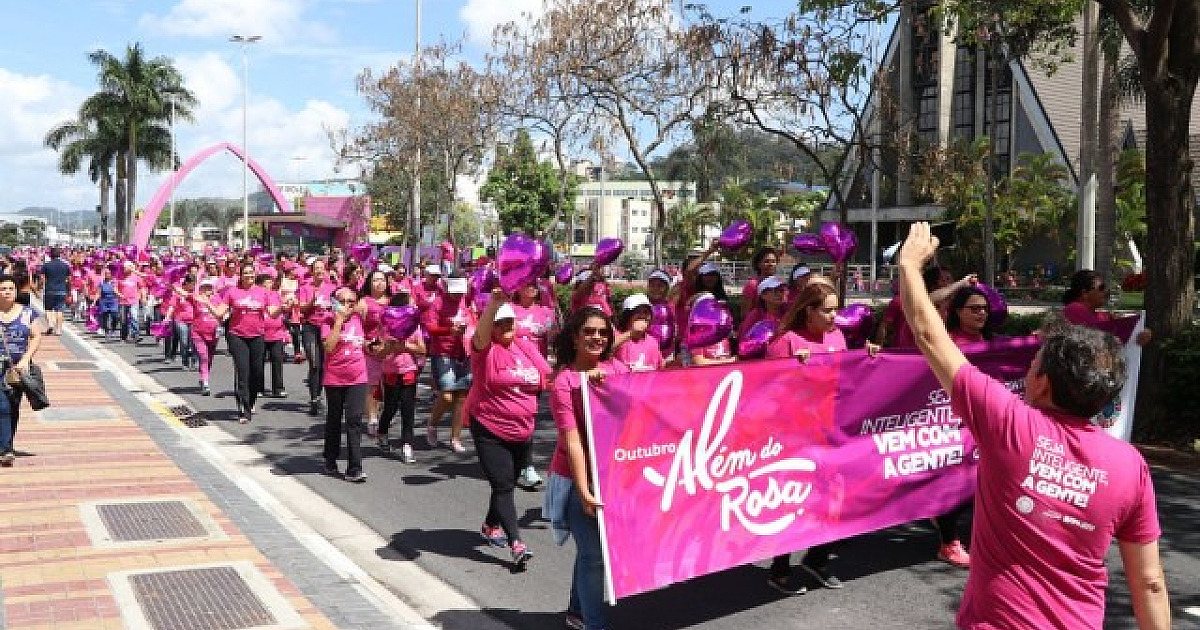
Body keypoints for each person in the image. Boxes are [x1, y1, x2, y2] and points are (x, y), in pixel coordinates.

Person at [897, 222, 1170, 630]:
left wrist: (907, 262)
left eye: (1034, 362)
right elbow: (1148, 582)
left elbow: (928, 335)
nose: (1027, 367)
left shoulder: (1008, 423)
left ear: (1042, 382)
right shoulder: (1131, 466)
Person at [763, 278, 877, 594]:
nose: (834, 317)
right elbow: (769, 388)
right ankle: (780, 569)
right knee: (795, 502)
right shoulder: (786, 341)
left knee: (837, 500)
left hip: (831, 431)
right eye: (827, 311)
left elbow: (848, 376)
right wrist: (791, 369)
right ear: (808, 311)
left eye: (836, 310)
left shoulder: (838, 336)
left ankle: (817, 560)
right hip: (796, 436)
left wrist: (867, 356)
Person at [546, 307, 629, 630]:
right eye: (589, 332)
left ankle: (576, 610)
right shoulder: (564, 383)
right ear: (574, 337)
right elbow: (574, 442)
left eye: (603, 332)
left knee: (594, 552)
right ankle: (594, 624)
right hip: (575, 479)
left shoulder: (617, 369)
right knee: (595, 555)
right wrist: (583, 491)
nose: (597, 337)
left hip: (614, 476)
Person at [467, 289, 551, 568]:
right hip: (490, 428)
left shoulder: (525, 347)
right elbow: (479, 337)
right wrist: (493, 305)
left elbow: (547, 377)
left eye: (510, 323)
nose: (506, 328)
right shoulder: (484, 351)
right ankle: (516, 542)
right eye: (499, 323)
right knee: (502, 485)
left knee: (508, 484)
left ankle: (491, 524)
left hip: (522, 430)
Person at [203, 262, 280, 424]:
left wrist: (284, 307)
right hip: (237, 336)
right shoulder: (233, 292)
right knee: (243, 372)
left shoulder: (263, 292)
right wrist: (207, 303)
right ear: (241, 275)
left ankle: (250, 401)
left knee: (257, 373)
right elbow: (219, 313)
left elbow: (272, 313)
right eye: (246, 273)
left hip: (258, 336)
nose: (249, 276)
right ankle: (244, 409)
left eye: (251, 273)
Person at [322, 286, 371, 482]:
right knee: (334, 419)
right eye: (342, 301)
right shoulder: (327, 320)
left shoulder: (360, 320)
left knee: (354, 419)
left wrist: (372, 345)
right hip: (335, 378)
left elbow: (363, 342)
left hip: (358, 377)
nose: (346, 305)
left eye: (351, 302)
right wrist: (339, 321)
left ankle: (355, 468)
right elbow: (329, 346)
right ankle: (330, 458)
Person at [422, 274, 476, 453]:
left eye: (460, 292)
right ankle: (432, 424)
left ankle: (455, 438)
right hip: (443, 353)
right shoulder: (437, 303)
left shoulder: (467, 300)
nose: (457, 295)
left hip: (465, 352)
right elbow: (430, 328)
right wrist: (448, 330)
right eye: (454, 292)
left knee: (461, 397)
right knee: (446, 395)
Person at [378, 290, 425, 463]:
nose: (413, 307)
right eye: (410, 304)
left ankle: (407, 445)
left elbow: (422, 350)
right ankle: (382, 432)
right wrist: (391, 346)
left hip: (409, 371)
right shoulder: (385, 326)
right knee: (390, 407)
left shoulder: (415, 327)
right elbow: (380, 352)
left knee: (408, 409)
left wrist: (405, 346)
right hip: (390, 371)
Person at [0, 274, 42, 467]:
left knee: (13, 406)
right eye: (3, 289)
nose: (7, 292)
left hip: (18, 369)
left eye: (10, 289)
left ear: (16, 291)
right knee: (3, 406)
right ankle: (5, 450)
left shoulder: (27, 312)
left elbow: (36, 335)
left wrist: (26, 358)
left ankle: (6, 443)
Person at [297, 258, 338, 416]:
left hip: (327, 327)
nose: (320, 271)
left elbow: (338, 307)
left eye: (322, 268)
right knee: (314, 363)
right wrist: (312, 303)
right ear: (312, 271)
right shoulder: (305, 288)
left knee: (324, 365)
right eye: (317, 268)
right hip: (310, 328)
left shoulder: (332, 288)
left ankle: (318, 394)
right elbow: (301, 309)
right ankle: (314, 398)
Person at [358, 270, 392, 437]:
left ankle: (385, 414)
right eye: (376, 280)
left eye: (382, 280)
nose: (379, 283)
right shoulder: (364, 302)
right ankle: (372, 417)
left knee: (389, 385)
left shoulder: (393, 302)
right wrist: (365, 343)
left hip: (390, 349)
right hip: (370, 348)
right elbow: (358, 327)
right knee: (372, 385)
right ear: (369, 283)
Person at [612, 293, 663, 372]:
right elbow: (606, 350)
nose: (642, 316)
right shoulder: (618, 336)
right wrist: (632, 333)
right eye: (637, 312)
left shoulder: (653, 342)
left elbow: (660, 367)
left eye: (646, 312)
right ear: (627, 316)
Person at [190, 278, 221, 396]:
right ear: (200, 289)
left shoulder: (217, 299)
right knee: (203, 356)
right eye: (205, 288)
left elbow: (222, 312)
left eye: (209, 288)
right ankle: (206, 383)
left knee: (209, 358)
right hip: (198, 332)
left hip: (213, 334)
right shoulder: (196, 299)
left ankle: (203, 377)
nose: (207, 290)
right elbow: (182, 292)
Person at [37, 247, 71, 335]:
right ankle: (59, 330)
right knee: (60, 310)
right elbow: (69, 280)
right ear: (59, 255)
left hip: (49, 290)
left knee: (48, 309)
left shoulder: (46, 265)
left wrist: (39, 288)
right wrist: (69, 291)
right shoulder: (65, 266)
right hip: (62, 289)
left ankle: (50, 325)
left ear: (50, 255)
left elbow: (42, 278)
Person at [741, 246, 780, 315]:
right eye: (766, 261)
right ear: (758, 264)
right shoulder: (752, 285)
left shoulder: (780, 284)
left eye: (773, 261)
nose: (770, 264)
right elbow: (745, 314)